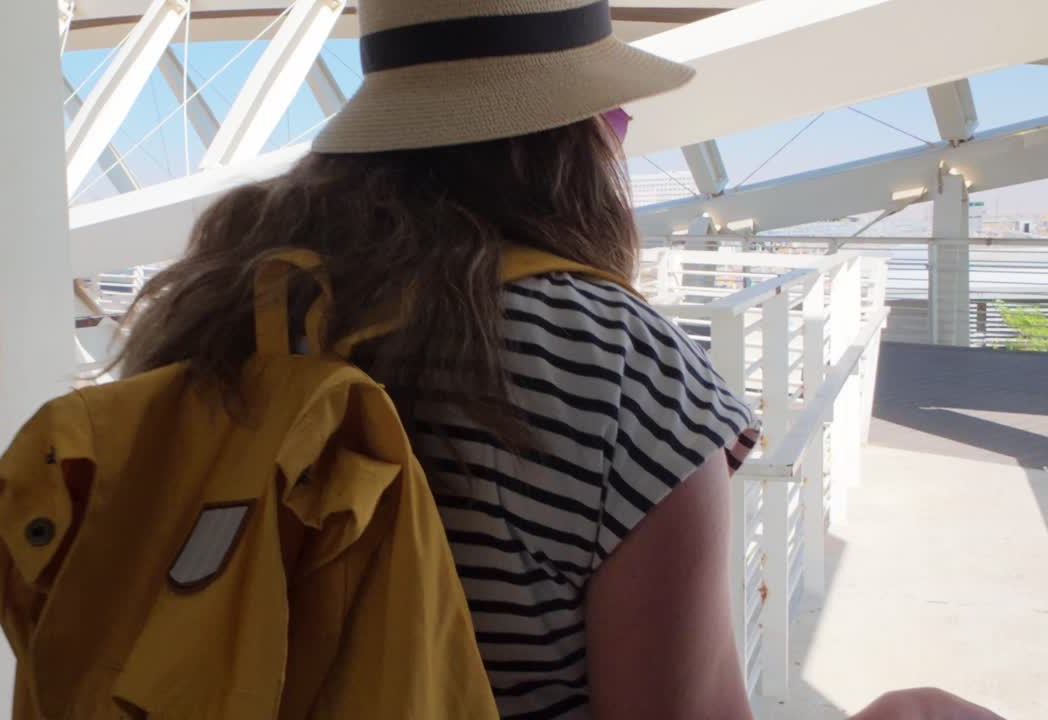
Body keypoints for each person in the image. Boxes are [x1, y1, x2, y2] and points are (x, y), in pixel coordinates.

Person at [114, 1, 1004, 718]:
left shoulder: (224, 325)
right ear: (559, 143)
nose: (621, 142)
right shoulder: (624, 374)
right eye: (614, 116)